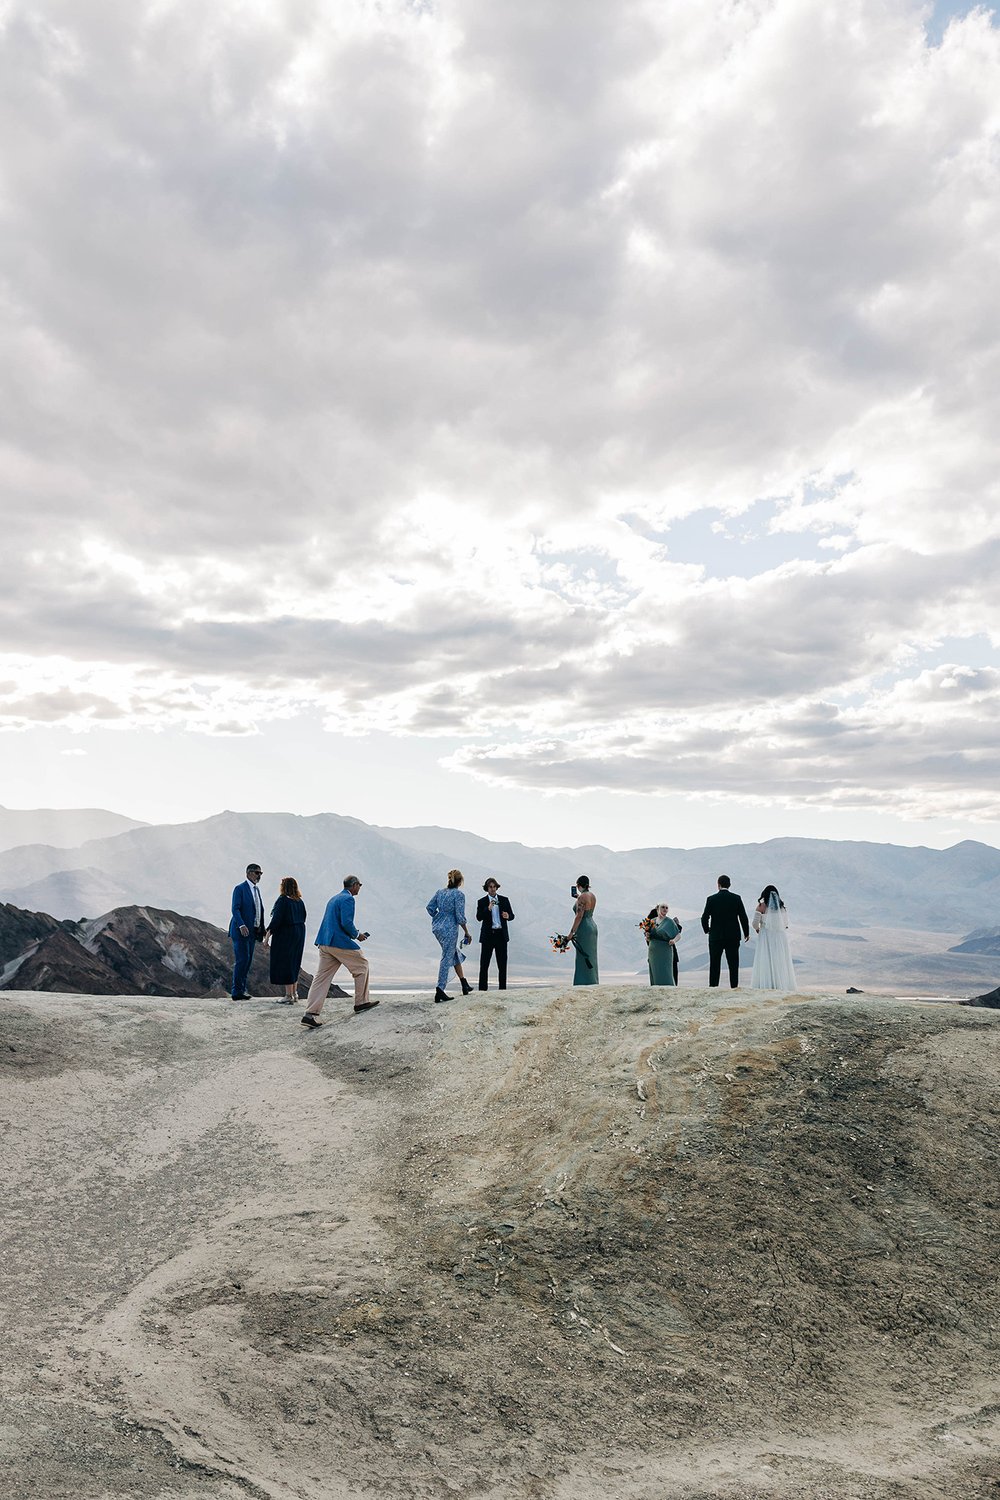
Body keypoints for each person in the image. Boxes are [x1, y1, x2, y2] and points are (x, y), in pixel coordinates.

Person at [302, 875, 378, 1027]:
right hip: (338, 942)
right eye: (360, 885)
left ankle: (309, 1014)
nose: (360, 888)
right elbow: (346, 922)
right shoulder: (348, 899)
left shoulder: (334, 898)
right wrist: (357, 935)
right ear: (354, 885)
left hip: (324, 942)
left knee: (322, 977)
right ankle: (361, 1002)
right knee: (362, 965)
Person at [426, 869, 473, 1002]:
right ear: (460, 882)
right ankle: (440, 989)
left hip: (438, 928)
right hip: (450, 928)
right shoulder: (459, 895)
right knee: (447, 956)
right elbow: (460, 916)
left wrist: (438, 917)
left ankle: (464, 984)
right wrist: (466, 932)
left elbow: (429, 907)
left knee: (452, 953)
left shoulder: (440, 892)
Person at [700, 875, 750, 988]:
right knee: (733, 963)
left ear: (718, 885)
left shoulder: (711, 899)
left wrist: (707, 930)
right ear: (730, 885)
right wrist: (746, 932)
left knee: (714, 963)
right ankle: (734, 987)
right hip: (733, 936)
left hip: (716, 937)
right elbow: (743, 917)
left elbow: (704, 918)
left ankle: (713, 987)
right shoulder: (736, 898)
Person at [265, 877, 307, 1003]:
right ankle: (294, 993)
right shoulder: (299, 901)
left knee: (286, 962)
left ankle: (288, 996)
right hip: (299, 932)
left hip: (286, 934)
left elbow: (276, 920)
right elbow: (304, 917)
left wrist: (267, 937)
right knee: (295, 961)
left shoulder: (283, 900)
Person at [229, 862, 266, 1002]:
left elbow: (259, 910)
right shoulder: (240, 889)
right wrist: (241, 925)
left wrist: (261, 928)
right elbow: (235, 908)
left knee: (248, 961)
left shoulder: (256, 890)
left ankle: (241, 990)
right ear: (249, 873)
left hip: (253, 932)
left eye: (260, 873)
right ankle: (236, 992)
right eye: (257, 873)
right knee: (242, 960)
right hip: (240, 931)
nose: (259, 875)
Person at [751, 885, 797, 990]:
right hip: (780, 938)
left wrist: (758, 928)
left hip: (766, 937)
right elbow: (785, 924)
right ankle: (780, 984)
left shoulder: (761, 907)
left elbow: (754, 924)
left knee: (766, 959)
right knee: (779, 960)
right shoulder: (782, 908)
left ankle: (767, 984)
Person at [476, 878, 515, 991]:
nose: (492, 889)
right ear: (487, 889)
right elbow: (478, 917)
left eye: (494, 887)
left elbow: (512, 915)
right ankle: (482, 991)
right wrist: (488, 909)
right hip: (488, 936)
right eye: (490, 887)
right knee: (484, 965)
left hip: (501, 935)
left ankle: (502, 990)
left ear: (497, 887)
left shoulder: (504, 900)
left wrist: (508, 916)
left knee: (502, 965)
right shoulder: (482, 901)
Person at [567, 875, 598, 985]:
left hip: (584, 927)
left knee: (582, 955)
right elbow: (587, 905)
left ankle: (583, 982)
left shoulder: (582, 898)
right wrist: (578, 898)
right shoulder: (592, 896)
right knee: (591, 955)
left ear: (579, 885)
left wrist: (571, 932)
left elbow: (579, 916)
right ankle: (592, 980)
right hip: (592, 926)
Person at [647, 902, 680, 986]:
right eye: (662, 907)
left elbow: (678, 935)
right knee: (655, 972)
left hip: (665, 951)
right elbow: (649, 936)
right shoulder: (652, 921)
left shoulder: (670, 922)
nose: (665, 909)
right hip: (653, 952)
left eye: (666, 908)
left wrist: (674, 941)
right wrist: (648, 937)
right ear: (658, 909)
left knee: (666, 972)